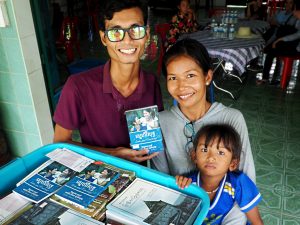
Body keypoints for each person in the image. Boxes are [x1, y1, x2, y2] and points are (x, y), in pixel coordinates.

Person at [150, 38, 255, 224]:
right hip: (183, 213)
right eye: (173, 78)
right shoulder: (160, 122)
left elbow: (244, 186)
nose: (182, 86)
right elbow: (164, 184)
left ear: (207, 77)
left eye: (190, 76)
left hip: (228, 216)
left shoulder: (232, 119)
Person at [53, 0, 164, 164]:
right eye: (116, 32)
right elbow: (59, 145)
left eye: (136, 30)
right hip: (96, 179)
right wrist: (114, 153)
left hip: (142, 179)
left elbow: (153, 142)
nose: (127, 40)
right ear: (104, 38)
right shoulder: (78, 86)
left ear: (146, 34)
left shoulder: (151, 83)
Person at [176, 124, 263, 225]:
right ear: (194, 156)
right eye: (204, 150)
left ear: (233, 163)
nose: (211, 158)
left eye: (221, 153)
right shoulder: (188, 184)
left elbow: (256, 221)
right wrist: (177, 186)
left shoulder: (238, 183)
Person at [258, 1, 300, 85]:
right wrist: (280, 40)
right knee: (271, 50)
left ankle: (267, 78)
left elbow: (296, 35)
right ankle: (265, 78)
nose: (293, 12)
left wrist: (280, 40)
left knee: (272, 51)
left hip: (295, 48)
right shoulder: (295, 19)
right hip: (291, 44)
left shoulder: (297, 21)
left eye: (295, 10)